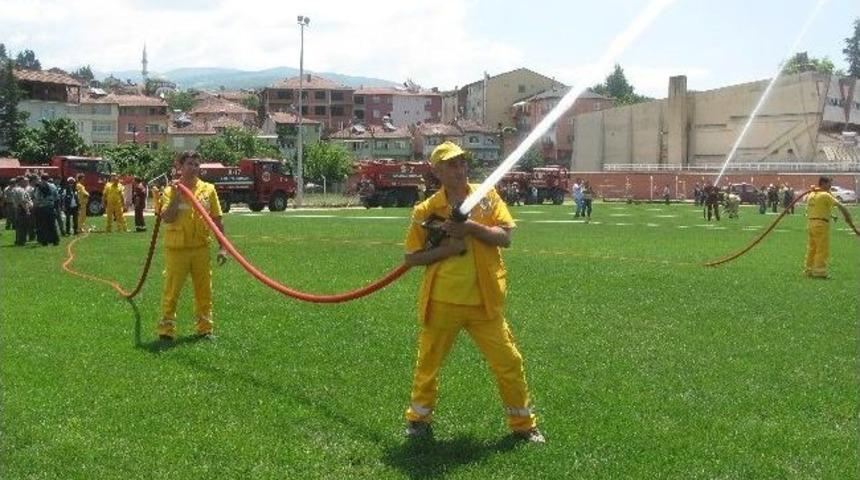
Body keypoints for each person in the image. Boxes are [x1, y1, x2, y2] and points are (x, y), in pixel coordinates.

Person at [401, 141, 544, 444]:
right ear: (436, 170)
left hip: (484, 301)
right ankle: (418, 420)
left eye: (462, 162)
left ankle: (523, 425)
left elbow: (505, 238)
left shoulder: (487, 197)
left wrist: (471, 229)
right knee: (428, 364)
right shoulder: (426, 210)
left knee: (509, 361)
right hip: (442, 301)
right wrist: (449, 249)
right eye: (451, 164)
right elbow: (412, 258)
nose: (459, 168)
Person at [157, 151, 228, 341]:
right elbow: (167, 218)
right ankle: (166, 331)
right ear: (180, 167)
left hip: (200, 249)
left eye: (197, 165)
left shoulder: (208, 190)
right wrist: (177, 197)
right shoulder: (170, 190)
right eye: (189, 164)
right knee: (172, 291)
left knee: (204, 290)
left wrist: (223, 247)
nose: (194, 168)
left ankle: (204, 329)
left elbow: (217, 220)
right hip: (177, 250)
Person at [804, 176, 854, 279]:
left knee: (812, 248)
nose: (830, 186)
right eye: (828, 183)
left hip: (811, 224)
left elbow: (818, 209)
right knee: (822, 249)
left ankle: (808, 269)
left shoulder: (812, 194)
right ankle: (820, 272)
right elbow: (841, 206)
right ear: (822, 183)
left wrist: (831, 215)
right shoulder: (825, 195)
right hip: (821, 225)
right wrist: (848, 217)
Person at [32, 175, 60, 246]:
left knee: (43, 225)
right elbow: (56, 197)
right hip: (51, 207)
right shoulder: (53, 186)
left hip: (42, 208)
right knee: (52, 225)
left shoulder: (38, 187)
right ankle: (55, 240)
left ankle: (44, 241)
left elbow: (37, 197)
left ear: (41, 179)